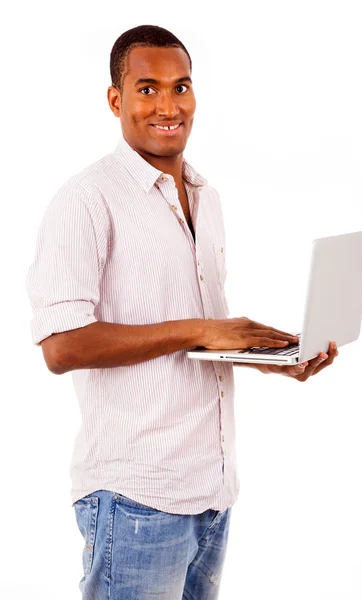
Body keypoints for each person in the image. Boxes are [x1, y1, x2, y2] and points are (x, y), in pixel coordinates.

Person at [25, 24, 338, 600]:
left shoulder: (206, 196)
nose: (168, 106)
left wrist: (270, 357)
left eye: (181, 87)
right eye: (147, 89)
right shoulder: (86, 198)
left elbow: (190, 344)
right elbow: (61, 346)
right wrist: (201, 328)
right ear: (116, 100)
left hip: (212, 492)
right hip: (135, 497)